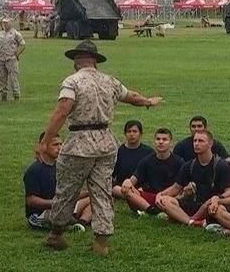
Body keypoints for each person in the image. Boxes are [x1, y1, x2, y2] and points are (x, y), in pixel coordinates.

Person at [39, 40, 162, 254]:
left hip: (79, 142)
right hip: (106, 142)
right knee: (103, 191)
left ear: (77, 60)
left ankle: (56, 234)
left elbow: (62, 111)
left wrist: (46, 140)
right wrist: (148, 101)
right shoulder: (109, 81)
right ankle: (101, 242)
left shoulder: (72, 82)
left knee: (67, 189)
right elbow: (131, 97)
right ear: (95, 61)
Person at [155, 130, 230, 227]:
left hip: (214, 205)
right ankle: (192, 222)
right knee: (166, 200)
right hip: (195, 204)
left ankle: (185, 219)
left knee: (212, 206)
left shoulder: (221, 165)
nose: (196, 144)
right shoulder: (190, 165)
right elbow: (175, 188)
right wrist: (161, 195)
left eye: (201, 141)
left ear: (210, 144)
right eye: (195, 141)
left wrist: (218, 198)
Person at [24, 131, 91, 231]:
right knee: (60, 215)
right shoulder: (34, 170)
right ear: (44, 146)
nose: (60, 147)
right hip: (41, 213)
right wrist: (54, 203)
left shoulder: (60, 167)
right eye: (55, 145)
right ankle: (70, 221)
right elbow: (31, 200)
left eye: (61, 144)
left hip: (60, 207)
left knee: (93, 200)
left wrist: (88, 192)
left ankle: (81, 223)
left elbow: (68, 194)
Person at [117, 128, 184, 214]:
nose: (161, 142)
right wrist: (127, 182)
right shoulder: (146, 161)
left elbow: (183, 186)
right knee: (129, 191)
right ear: (154, 142)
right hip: (150, 197)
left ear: (171, 143)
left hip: (170, 197)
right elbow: (133, 180)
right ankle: (151, 210)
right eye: (158, 139)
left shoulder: (179, 162)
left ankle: (154, 209)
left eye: (164, 139)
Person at [110, 120, 154, 198]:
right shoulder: (119, 151)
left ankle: (135, 196)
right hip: (122, 187)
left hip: (141, 187)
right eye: (129, 131)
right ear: (125, 134)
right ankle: (133, 196)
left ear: (140, 134)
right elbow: (113, 174)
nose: (131, 134)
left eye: (135, 131)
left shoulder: (149, 152)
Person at [0, 17, 25, 101]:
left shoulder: (15, 34)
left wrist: (17, 54)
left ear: (10, 23)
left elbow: (22, 44)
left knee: (13, 78)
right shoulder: (0, 34)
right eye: (3, 23)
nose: (4, 24)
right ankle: (3, 94)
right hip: (1, 59)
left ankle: (16, 94)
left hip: (11, 58)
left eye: (6, 23)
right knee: (2, 78)